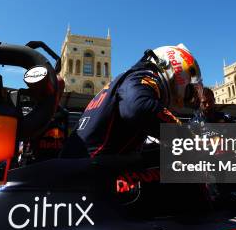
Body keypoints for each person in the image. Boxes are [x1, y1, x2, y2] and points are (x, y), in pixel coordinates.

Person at [61, 44, 205, 157]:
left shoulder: (125, 79)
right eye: (187, 91)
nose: (186, 98)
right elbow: (138, 107)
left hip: (85, 163)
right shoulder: (143, 76)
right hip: (89, 170)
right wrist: (188, 137)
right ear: (174, 70)